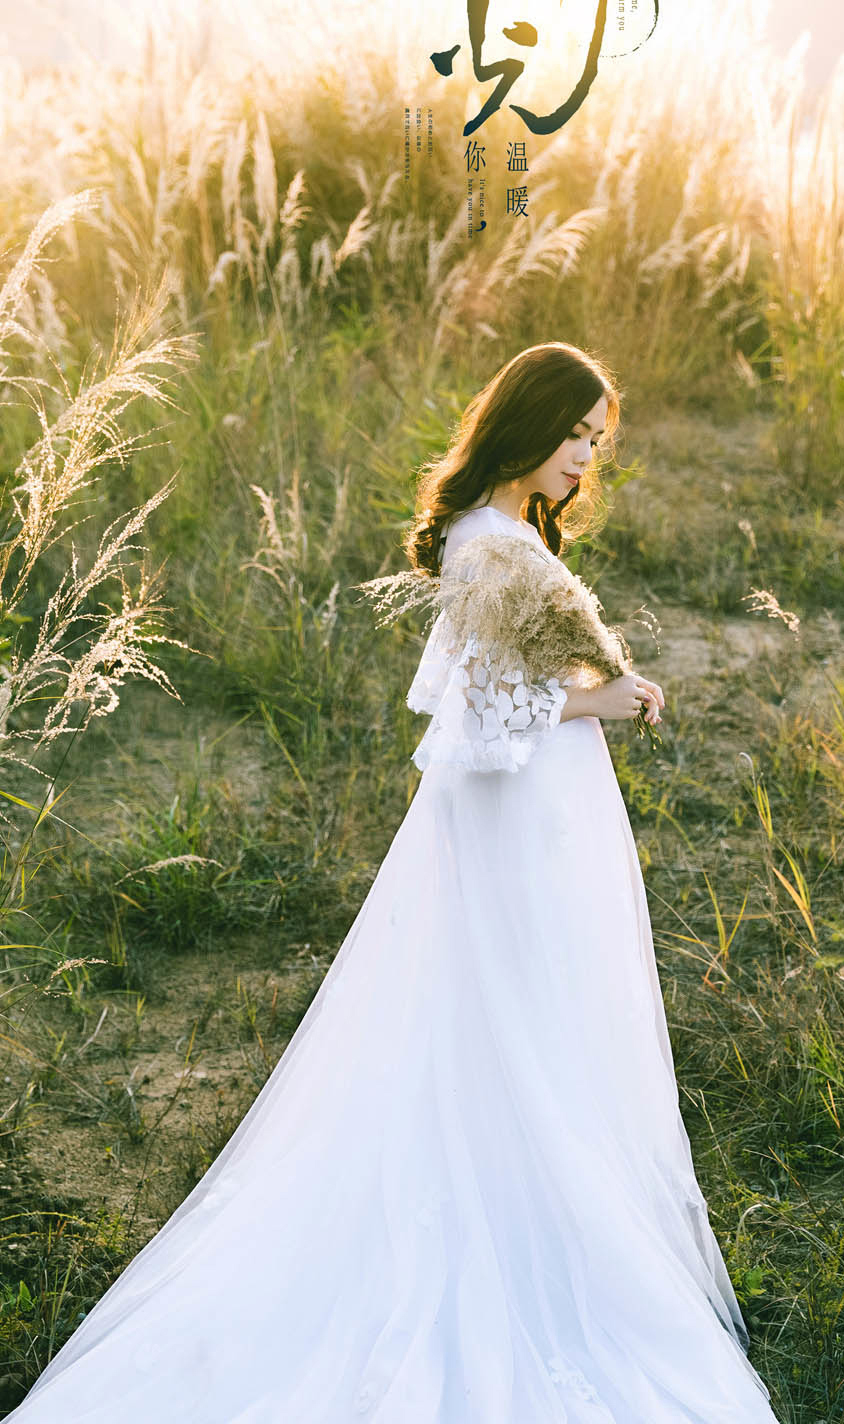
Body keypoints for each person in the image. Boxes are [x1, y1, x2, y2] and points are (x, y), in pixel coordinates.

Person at [6, 341, 781, 1422]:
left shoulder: (500, 532)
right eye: (572, 433)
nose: (584, 456)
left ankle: (537, 1179)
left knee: (530, 1006)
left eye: (596, 440)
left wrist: (600, 683)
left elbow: (506, 680)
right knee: (511, 1006)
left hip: (542, 807)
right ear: (526, 424)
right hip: (519, 814)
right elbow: (481, 715)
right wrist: (604, 700)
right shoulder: (490, 545)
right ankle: (526, 1210)